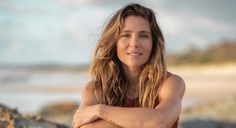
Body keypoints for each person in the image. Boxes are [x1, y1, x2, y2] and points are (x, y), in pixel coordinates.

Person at [73, 3, 185, 128]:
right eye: (126, 35)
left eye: (143, 36)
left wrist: (100, 111)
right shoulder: (95, 89)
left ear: (154, 43)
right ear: (114, 42)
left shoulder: (171, 83)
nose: (134, 43)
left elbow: (160, 121)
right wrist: (145, 121)